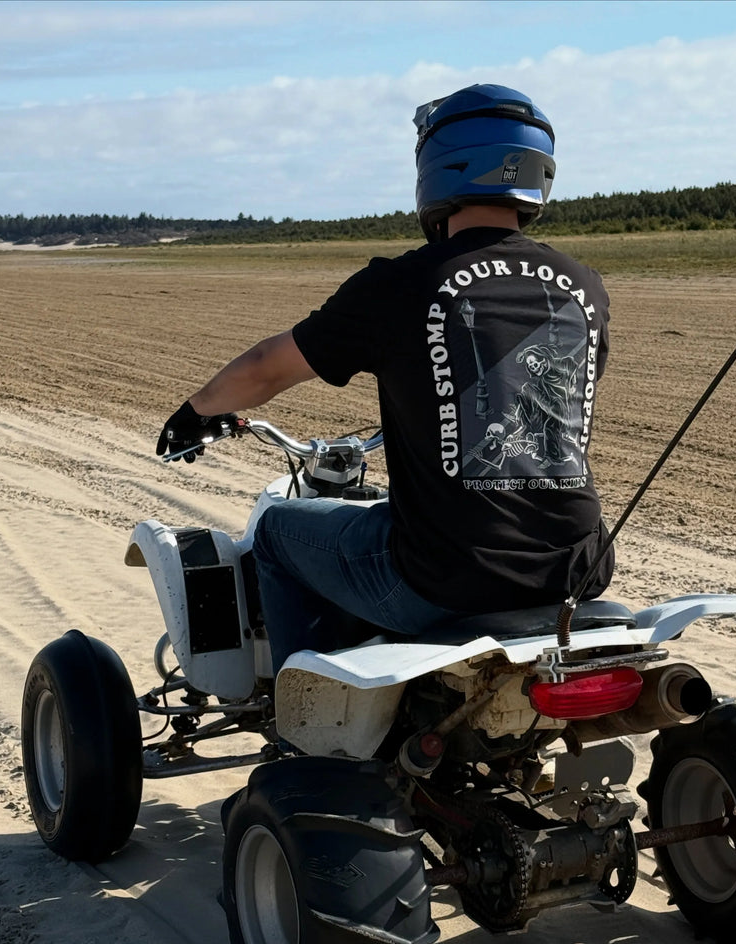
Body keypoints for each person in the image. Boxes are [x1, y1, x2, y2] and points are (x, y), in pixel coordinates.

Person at [157, 83, 615, 676]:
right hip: (577, 569)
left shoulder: (402, 283)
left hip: (446, 579)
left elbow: (268, 367)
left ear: (439, 167)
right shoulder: (585, 286)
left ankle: (308, 717)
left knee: (275, 531)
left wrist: (197, 412)